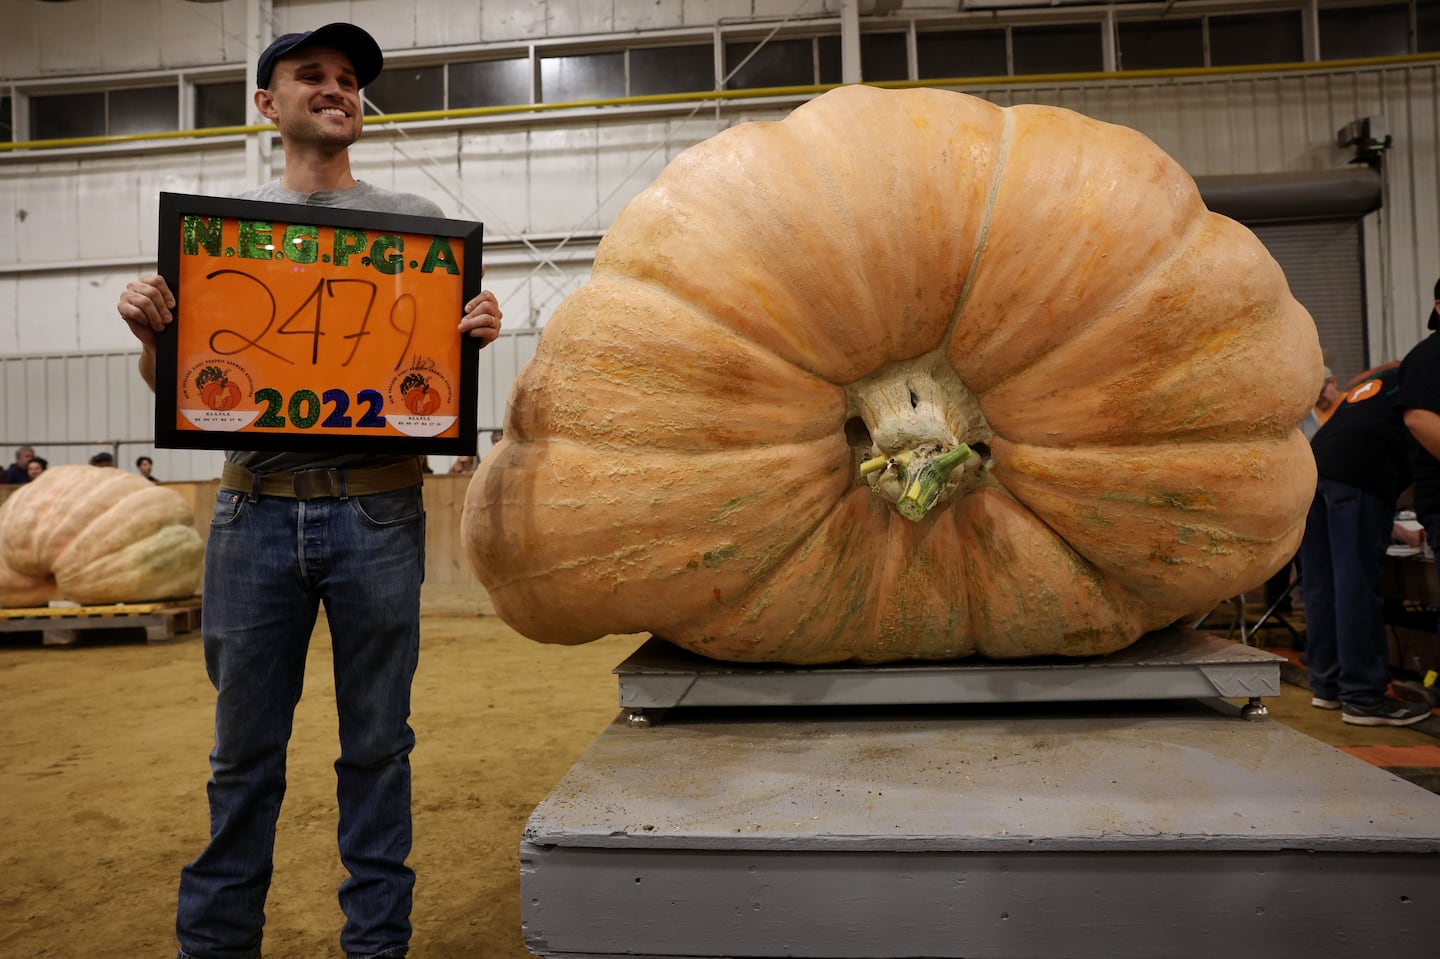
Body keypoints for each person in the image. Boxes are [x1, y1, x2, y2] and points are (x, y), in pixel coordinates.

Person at [115, 22, 503, 959]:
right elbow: (191, 383)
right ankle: (216, 947)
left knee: (378, 745)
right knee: (241, 758)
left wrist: (472, 330)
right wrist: (150, 335)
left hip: (379, 509)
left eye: (349, 80)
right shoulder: (219, 231)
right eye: (312, 76)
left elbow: (424, 378)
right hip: (250, 511)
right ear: (268, 104)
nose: (337, 89)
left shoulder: (416, 226)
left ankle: (376, 946)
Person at [1300, 366, 1432, 727]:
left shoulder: (1384, 381)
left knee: (1322, 586)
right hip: (1358, 474)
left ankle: (1327, 686)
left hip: (1314, 470)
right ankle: (1363, 698)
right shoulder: (1426, 380)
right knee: (1355, 586)